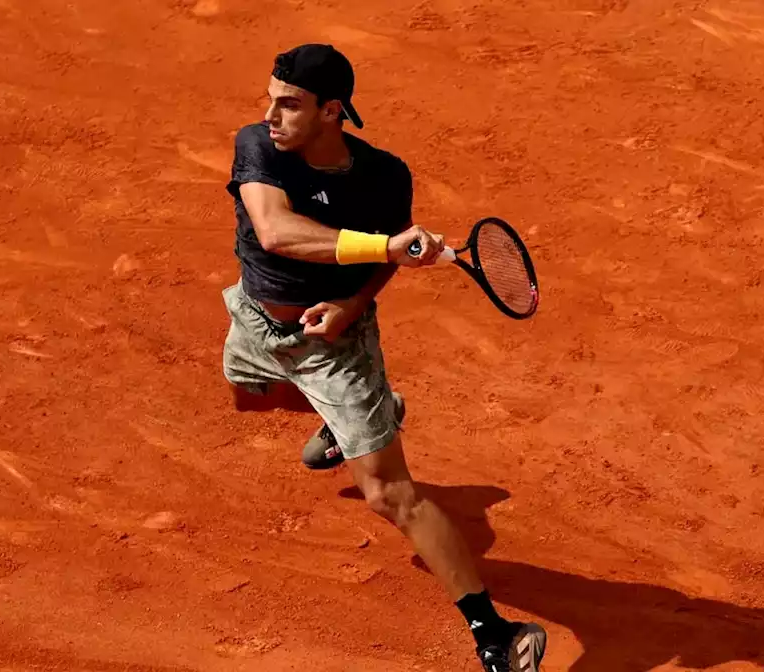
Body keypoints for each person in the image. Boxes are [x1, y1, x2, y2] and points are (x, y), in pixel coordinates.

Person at [219, 43, 548, 672]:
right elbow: (275, 231)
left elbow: (381, 266)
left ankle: (495, 635)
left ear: (331, 111)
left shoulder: (385, 179)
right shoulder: (258, 145)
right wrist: (386, 246)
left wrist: (350, 304)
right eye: (270, 99)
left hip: (334, 346)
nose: (271, 114)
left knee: (390, 494)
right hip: (253, 320)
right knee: (247, 395)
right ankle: (357, 421)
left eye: (289, 104)